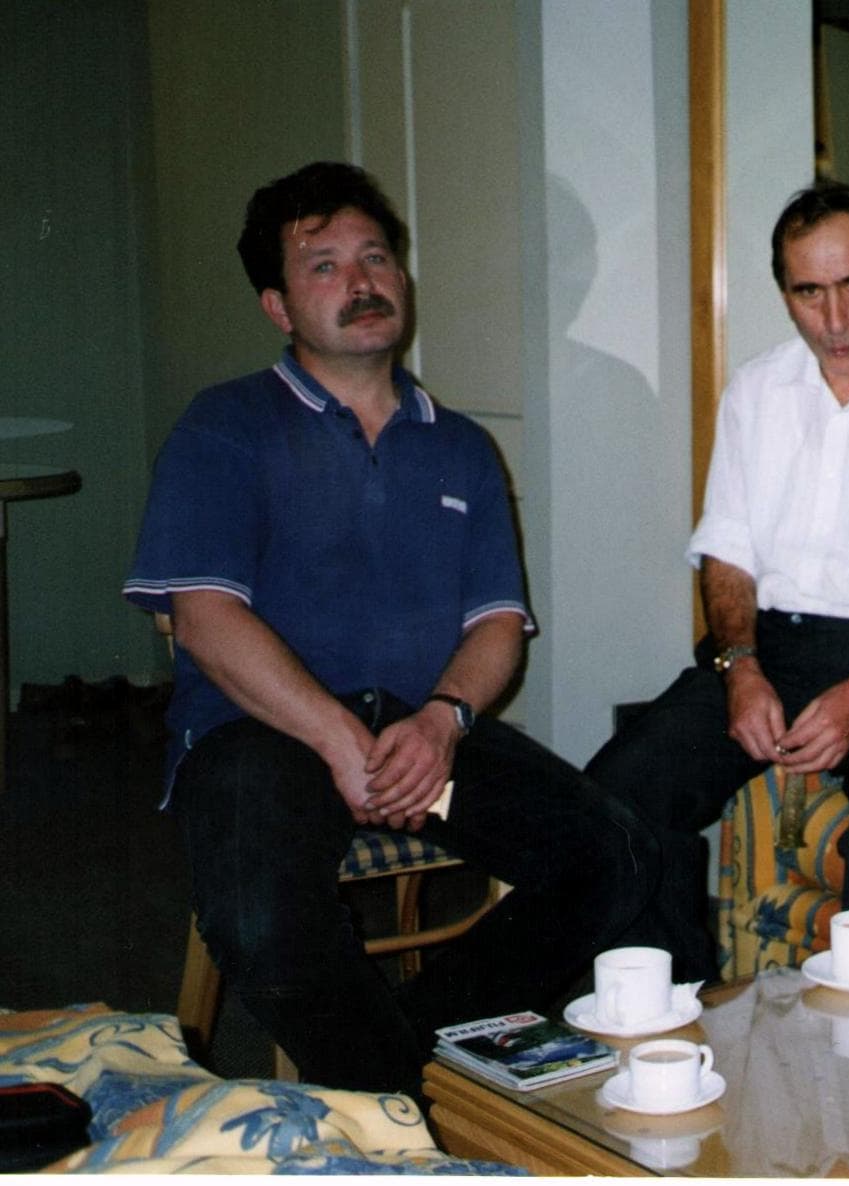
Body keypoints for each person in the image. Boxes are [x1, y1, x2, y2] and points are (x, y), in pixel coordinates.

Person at [123, 161, 661, 1099]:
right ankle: (406, 1106)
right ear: (279, 307)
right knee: (259, 925)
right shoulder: (225, 428)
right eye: (323, 265)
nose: (361, 280)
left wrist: (442, 721)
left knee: (612, 857)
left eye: (375, 257)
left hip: (422, 736)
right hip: (266, 742)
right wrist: (340, 741)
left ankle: (410, 1060)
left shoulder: (459, 445)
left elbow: (497, 622)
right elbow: (206, 620)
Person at [586, 182, 849, 981]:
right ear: (784, 294)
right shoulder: (755, 391)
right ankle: (675, 1006)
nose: (836, 320)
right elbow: (727, 551)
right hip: (767, 642)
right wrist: (739, 667)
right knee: (621, 790)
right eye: (808, 293)